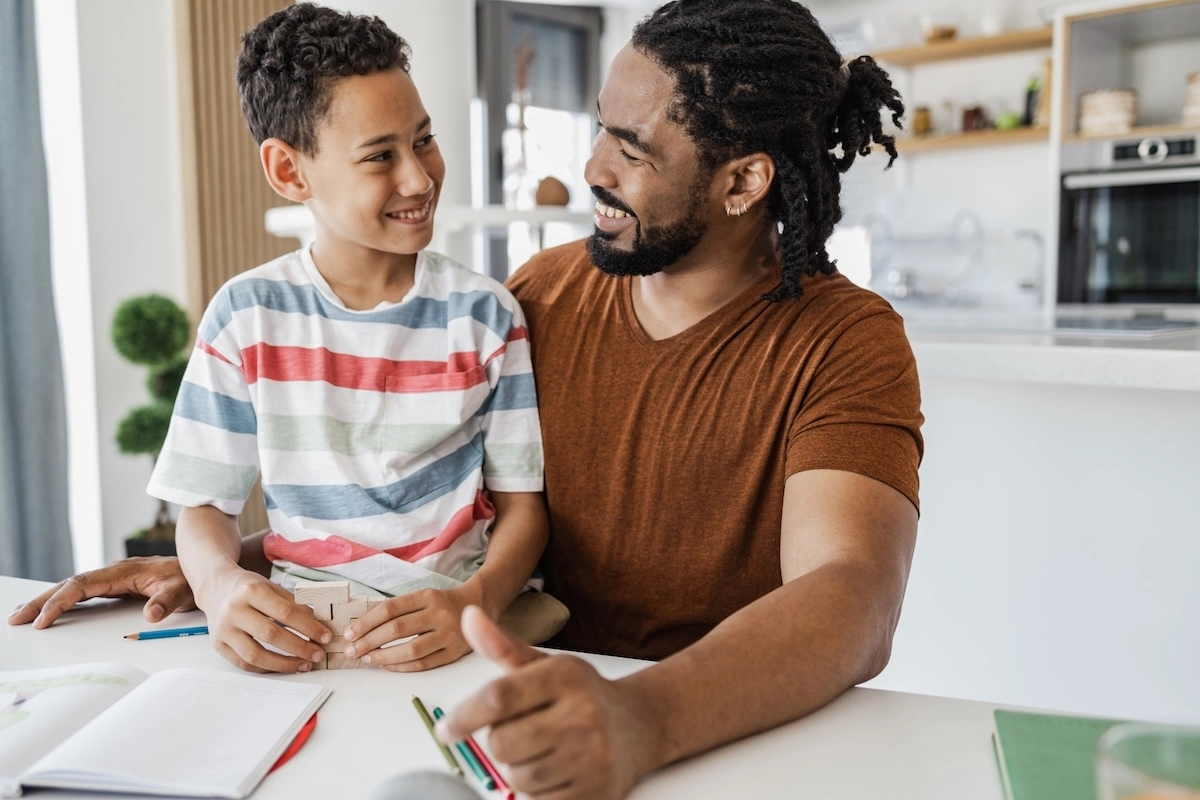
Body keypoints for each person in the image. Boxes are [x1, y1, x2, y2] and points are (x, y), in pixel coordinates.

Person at [11, 0, 922, 796]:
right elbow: (441, 488)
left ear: (744, 181)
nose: (592, 165)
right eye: (602, 126)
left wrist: (641, 718)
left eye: (631, 148)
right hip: (506, 698)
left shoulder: (844, 341)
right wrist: (227, 565)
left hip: (708, 731)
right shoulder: (544, 294)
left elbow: (851, 600)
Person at [155, 4, 552, 675]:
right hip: (300, 644)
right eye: (380, 156)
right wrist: (219, 586)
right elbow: (203, 510)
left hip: (457, 641)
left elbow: (525, 511)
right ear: (289, 172)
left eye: (423, 140)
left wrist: (473, 602)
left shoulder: (486, 314)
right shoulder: (247, 316)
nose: (419, 178)